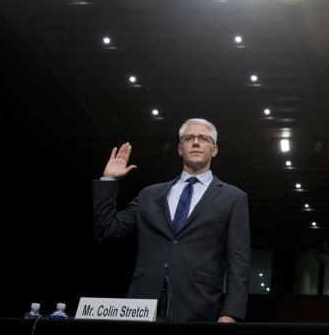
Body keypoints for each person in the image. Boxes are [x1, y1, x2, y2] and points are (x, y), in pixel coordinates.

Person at [93, 118, 251, 322]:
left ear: (214, 150)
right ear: (179, 148)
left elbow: (239, 261)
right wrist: (109, 180)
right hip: (141, 304)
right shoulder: (150, 194)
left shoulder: (233, 197)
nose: (195, 142)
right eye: (189, 138)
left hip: (199, 307)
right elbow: (107, 229)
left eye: (203, 138)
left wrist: (231, 313)